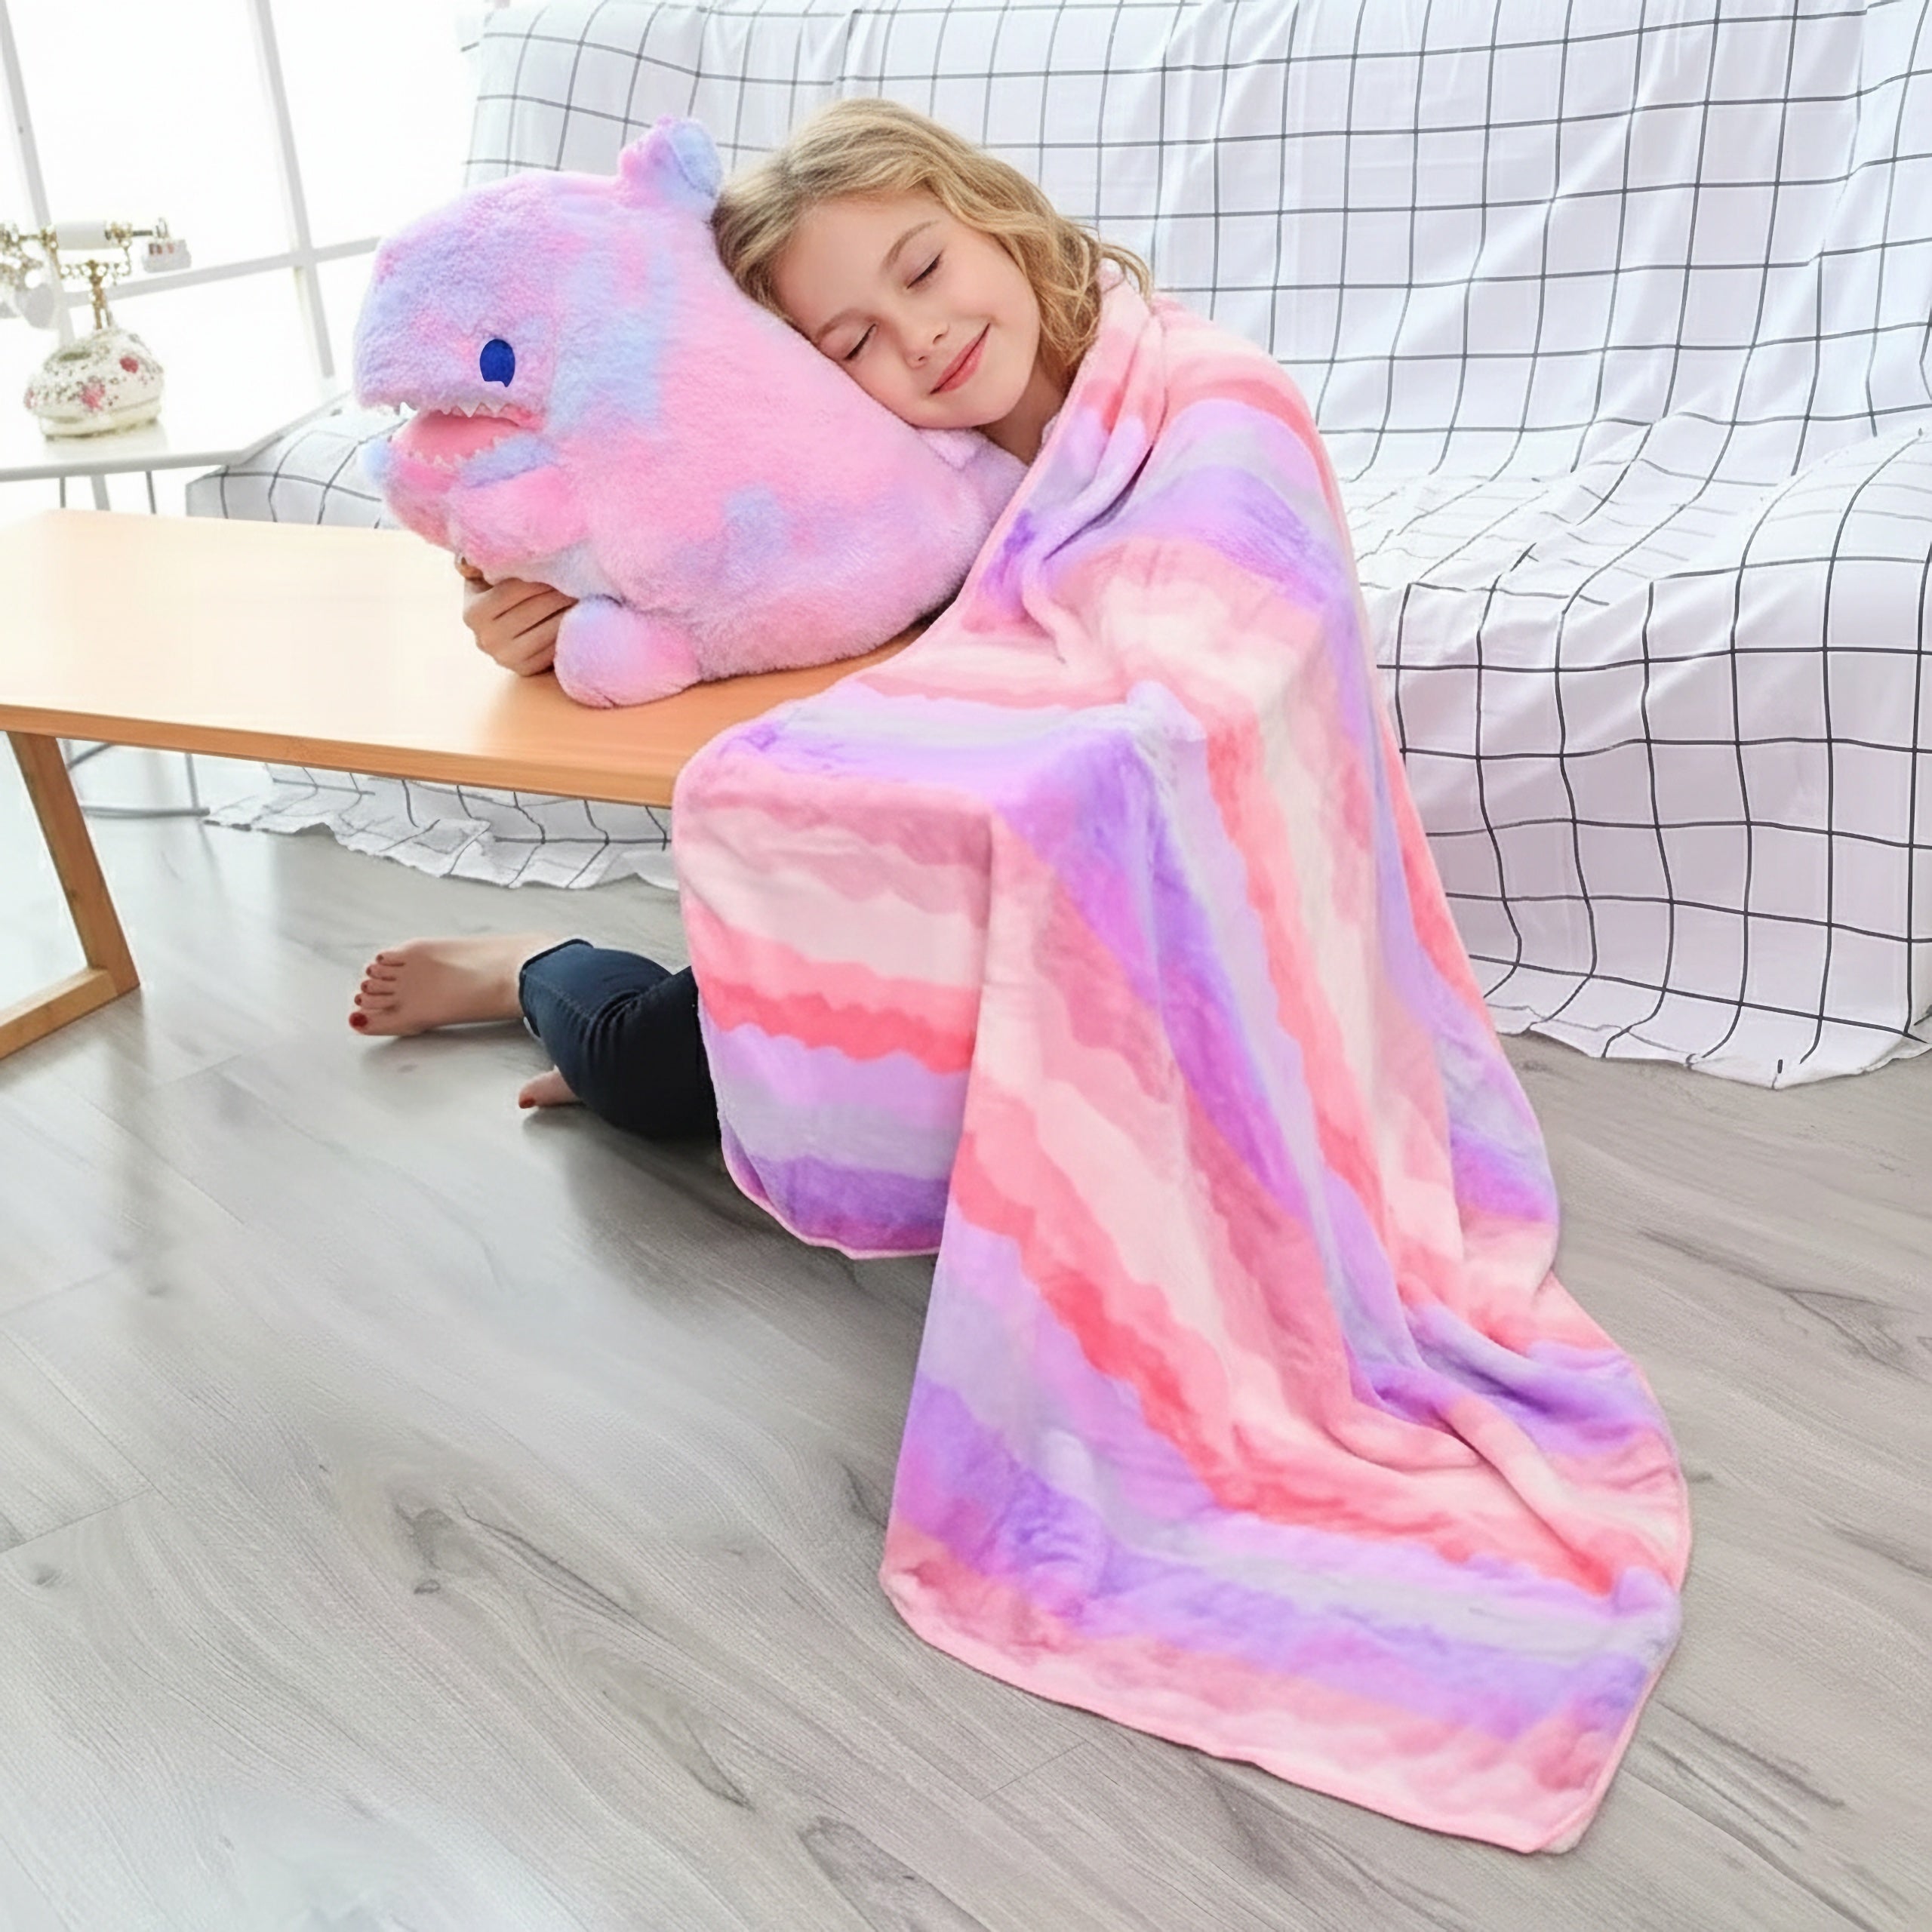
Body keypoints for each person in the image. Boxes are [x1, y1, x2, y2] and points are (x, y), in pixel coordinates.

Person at [347, 98, 1150, 1137]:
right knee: (641, 1071)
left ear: (988, 211)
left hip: (1049, 883)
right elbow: (706, 553)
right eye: (853, 340)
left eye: (923, 269)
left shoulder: (1164, 393)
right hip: (890, 888)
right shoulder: (863, 478)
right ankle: (537, 968)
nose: (923, 336)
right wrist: (522, 609)